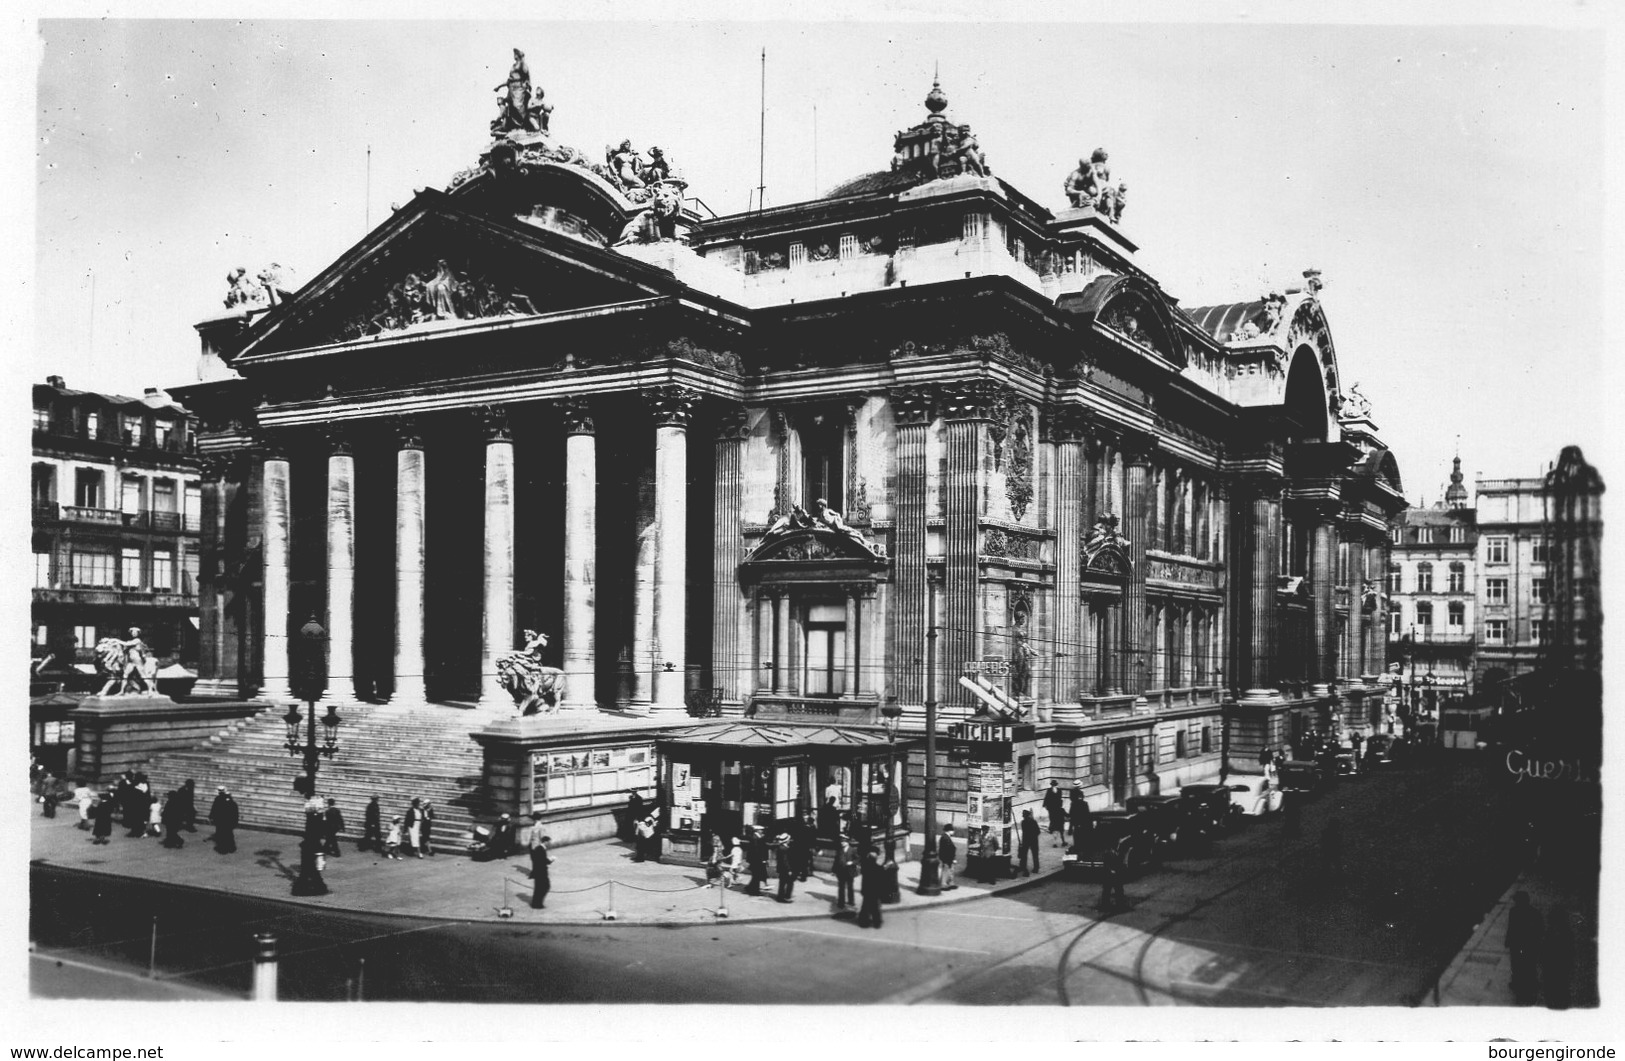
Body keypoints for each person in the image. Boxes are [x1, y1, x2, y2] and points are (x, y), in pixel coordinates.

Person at [1505, 891, 1543, 1005]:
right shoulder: (1535, 913)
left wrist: (1508, 940)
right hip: (1529, 944)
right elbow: (1540, 929)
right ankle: (1531, 982)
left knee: (1516, 963)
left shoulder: (1514, 911)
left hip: (1517, 944)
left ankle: (1517, 982)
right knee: (1529, 963)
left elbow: (1511, 928)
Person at [1543, 906, 1575, 1010]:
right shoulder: (1568, 933)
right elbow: (1570, 953)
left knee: (1552, 988)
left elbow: (1545, 951)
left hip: (1552, 967)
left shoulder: (1550, 933)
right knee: (1562, 986)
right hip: (1561, 967)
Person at [528, 815, 553, 909]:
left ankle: (537, 903)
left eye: (534, 818)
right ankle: (537, 903)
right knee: (543, 886)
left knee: (541, 886)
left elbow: (541, 837)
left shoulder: (540, 827)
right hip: (535, 848)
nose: (533, 820)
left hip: (537, 848)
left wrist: (541, 848)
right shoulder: (534, 826)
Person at [857, 848, 886, 929]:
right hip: (875, 892)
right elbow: (881, 881)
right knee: (875, 908)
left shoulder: (865, 868)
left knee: (865, 907)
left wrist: (862, 890)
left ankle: (864, 922)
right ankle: (877, 923)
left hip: (867, 891)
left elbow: (864, 880)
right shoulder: (878, 868)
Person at [210, 786, 239, 854]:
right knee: (229, 834)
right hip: (229, 821)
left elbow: (214, 809)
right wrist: (235, 821)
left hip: (221, 820)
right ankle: (231, 848)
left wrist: (211, 817)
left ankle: (223, 849)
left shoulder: (218, 799)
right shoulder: (231, 801)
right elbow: (235, 812)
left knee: (221, 834)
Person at [1098, 844, 1127, 911]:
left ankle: (1120, 905)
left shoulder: (1118, 853)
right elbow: (1106, 864)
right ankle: (1105, 905)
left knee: (1119, 890)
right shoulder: (1107, 853)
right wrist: (1110, 870)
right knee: (1107, 891)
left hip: (1117, 874)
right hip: (1108, 875)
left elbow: (1120, 862)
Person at [832, 836, 857, 909]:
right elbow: (836, 861)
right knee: (841, 888)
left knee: (850, 887)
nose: (842, 843)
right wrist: (833, 870)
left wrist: (852, 862)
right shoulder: (839, 850)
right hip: (841, 871)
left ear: (847, 842)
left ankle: (851, 901)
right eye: (841, 842)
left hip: (849, 871)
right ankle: (841, 903)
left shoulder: (853, 850)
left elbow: (858, 859)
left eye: (843, 842)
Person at [745, 826, 769, 896]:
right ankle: (755, 891)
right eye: (761, 830)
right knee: (756, 875)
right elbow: (757, 850)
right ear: (757, 830)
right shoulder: (755, 838)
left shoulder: (757, 837)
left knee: (756, 875)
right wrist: (762, 859)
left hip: (755, 859)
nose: (762, 831)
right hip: (756, 860)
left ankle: (750, 888)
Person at [1018, 808, 1042, 876]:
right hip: (1034, 841)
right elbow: (1038, 831)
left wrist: (1023, 841)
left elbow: (1024, 833)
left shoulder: (1023, 822)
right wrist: (1033, 836)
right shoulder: (1033, 821)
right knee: (1035, 855)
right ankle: (1036, 868)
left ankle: (1024, 868)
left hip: (1026, 841)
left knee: (1024, 855)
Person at [774, 832, 797, 902]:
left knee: (782, 883)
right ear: (786, 840)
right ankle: (787, 897)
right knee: (789, 883)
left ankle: (780, 896)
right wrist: (789, 870)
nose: (790, 841)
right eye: (789, 839)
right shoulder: (784, 849)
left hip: (781, 869)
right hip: (785, 869)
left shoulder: (781, 847)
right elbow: (785, 861)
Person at [1043, 780, 1066, 846]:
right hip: (1054, 809)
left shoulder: (1054, 790)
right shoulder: (1056, 790)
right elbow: (1047, 798)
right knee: (1058, 826)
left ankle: (1054, 841)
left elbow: (1047, 799)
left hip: (1054, 809)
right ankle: (1063, 841)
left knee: (1053, 823)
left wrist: (1045, 806)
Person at [938, 825, 958, 890]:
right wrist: (952, 859)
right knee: (946, 870)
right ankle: (943, 884)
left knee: (949, 870)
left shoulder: (945, 837)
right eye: (952, 830)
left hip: (948, 857)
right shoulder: (945, 838)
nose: (953, 832)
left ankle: (949, 883)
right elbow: (948, 849)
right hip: (947, 857)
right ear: (949, 830)